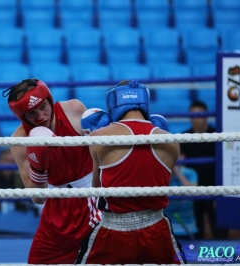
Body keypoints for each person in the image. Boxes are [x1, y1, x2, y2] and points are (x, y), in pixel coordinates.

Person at [75, 80, 184, 264]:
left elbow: (96, 188)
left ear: (113, 103)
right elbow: (163, 182)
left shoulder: (100, 137)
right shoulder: (170, 140)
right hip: (157, 228)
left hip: (112, 231)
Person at [3, 78, 102, 264]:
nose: (40, 116)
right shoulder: (19, 140)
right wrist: (39, 165)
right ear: (22, 116)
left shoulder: (73, 110)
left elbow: (101, 153)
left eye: (43, 107)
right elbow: (38, 197)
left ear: (49, 100)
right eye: (31, 113)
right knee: (38, 261)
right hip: (57, 208)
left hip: (94, 197)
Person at [180, 100, 228, 239]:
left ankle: (226, 260)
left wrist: (220, 193)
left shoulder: (216, 136)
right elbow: (179, 165)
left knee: (220, 234)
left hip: (214, 190)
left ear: (206, 116)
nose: (195, 119)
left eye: (199, 115)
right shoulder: (185, 137)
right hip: (194, 192)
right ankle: (200, 261)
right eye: (193, 115)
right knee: (197, 234)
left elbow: (223, 166)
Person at [164, 150, 199, 239]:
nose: (176, 160)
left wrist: (177, 171)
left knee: (190, 252)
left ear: (183, 157)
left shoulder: (190, 172)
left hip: (188, 226)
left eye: (178, 156)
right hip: (167, 227)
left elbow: (192, 192)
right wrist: (170, 172)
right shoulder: (163, 172)